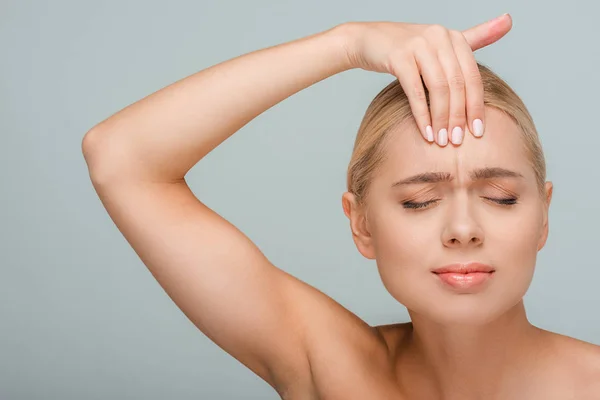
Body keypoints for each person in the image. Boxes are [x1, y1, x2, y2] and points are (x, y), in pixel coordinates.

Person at [81, 13, 600, 399]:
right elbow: (121, 157)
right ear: (362, 224)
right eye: (419, 201)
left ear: (543, 216)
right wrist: (347, 43)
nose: (463, 228)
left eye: (499, 197)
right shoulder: (333, 369)